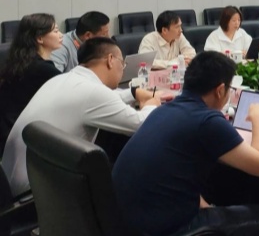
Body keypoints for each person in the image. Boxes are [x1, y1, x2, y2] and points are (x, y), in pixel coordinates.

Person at [112, 52, 259, 236]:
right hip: (162, 233)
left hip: (124, 227)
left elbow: (177, 174)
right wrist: (257, 116)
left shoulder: (163, 110)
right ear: (220, 90)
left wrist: (208, 208)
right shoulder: (207, 121)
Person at [2, 37, 160, 197]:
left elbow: (101, 100)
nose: (123, 69)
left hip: (17, 181)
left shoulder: (65, 79)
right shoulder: (92, 92)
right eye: (122, 63)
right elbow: (141, 125)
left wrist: (133, 93)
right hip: (35, 192)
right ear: (110, 60)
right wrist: (152, 103)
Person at [0, 14, 63, 156]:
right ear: (40, 39)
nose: (61, 35)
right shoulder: (42, 69)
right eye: (55, 31)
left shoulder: (19, 61)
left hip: (10, 130)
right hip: (19, 138)